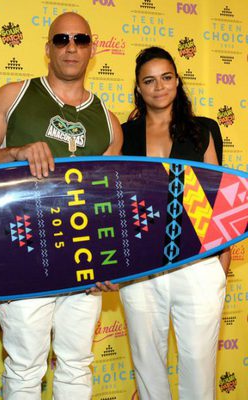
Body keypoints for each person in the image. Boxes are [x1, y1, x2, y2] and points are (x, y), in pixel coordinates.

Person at [0, 12, 123, 400]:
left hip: (84, 263)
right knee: (25, 368)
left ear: (92, 48)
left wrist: (109, 260)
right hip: (22, 254)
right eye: (61, 39)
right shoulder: (15, 94)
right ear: (47, 48)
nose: (71, 47)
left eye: (80, 39)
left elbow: (106, 203)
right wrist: (18, 152)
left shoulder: (110, 123)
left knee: (76, 366)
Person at [98, 46, 230, 400]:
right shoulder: (124, 135)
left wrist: (221, 257)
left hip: (197, 264)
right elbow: (112, 201)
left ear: (177, 82)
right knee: (148, 368)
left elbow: (214, 196)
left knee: (199, 369)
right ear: (138, 88)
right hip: (141, 268)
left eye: (167, 77)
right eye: (149, 80)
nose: (159, 87)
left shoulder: (203, 130)